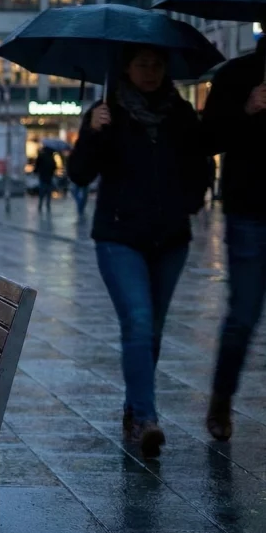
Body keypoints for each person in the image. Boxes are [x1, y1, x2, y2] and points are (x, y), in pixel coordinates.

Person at [67, 45, 207, 459]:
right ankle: (146, 418)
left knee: (153, 330)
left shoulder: (181, 113)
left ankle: (134, 408)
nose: (150, 71)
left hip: (171, 240)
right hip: (119, 237)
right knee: (139, 322)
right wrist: (92, 132)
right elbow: (79, 174)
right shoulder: (105, 111)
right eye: (142, 64)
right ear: (126, 68)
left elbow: (201, 164)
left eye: (157, 64)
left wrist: (188, 203)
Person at [200, 25, 266, 441]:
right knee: (244, 315)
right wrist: (247, 109)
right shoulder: (236, 75)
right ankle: (222, 398)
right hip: (252, 210)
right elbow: (208, 138)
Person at [35, 147, 57, 213]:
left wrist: (36, 171)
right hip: (49, 177)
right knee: (48, 192)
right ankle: (48, 204)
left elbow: (37, 165)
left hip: (42, 176)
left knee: (42, 191)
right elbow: (54, 167)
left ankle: (40, 204)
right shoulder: (51, 158)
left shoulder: (41, 156)